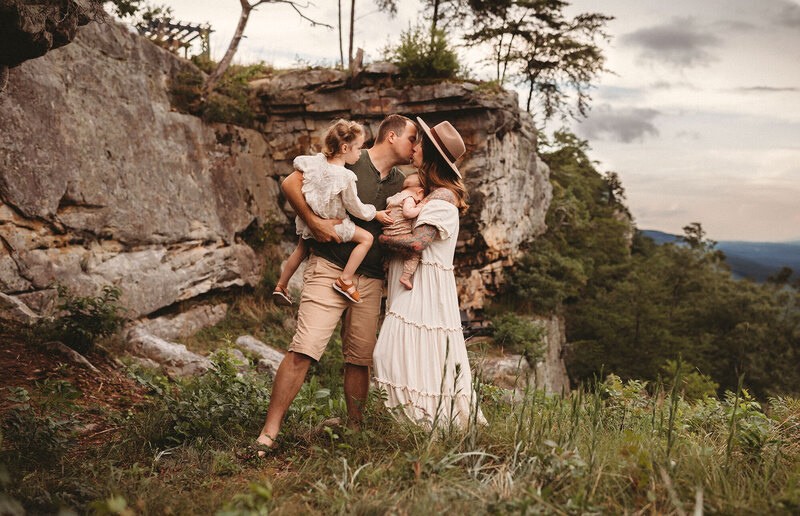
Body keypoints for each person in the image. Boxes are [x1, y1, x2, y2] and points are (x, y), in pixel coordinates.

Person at [250, 114, 418, 454]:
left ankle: (355, 429)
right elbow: (289, 184)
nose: (414, 147)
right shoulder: (350, 160)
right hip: (328, 267)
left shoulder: (402, 181)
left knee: (359, 359)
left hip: (370, 280)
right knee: (304, 350)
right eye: (412, 139)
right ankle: (269, 432)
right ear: (392, 136)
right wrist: (314, 222)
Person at [373, 117, 486, 429]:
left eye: (421, 143)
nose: (416, 147)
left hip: (424, 289)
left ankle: (418, 421)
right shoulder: (428, 193)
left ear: (432, 155)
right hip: (415, 285)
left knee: (388, 352)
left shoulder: (442, 198)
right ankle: (420, 427)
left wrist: (377, 238)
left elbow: (418, 242)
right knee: (419, 356)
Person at [272, 119, 391, 305]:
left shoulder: (315, 162)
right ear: (344, 148)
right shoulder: (345, 176)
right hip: (333, 224)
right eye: (358, 148)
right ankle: (345, 279)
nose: (360, 153)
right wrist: (374, 213)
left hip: (309, 220)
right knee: (366, 239)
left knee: (301, 249)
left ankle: (281, 285)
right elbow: (355, 207)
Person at [382, 172, 425, 289]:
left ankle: (384, 265)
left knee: (389, 253)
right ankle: (405, 277)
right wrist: (419, 208)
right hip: (400, 233)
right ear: (419, 192)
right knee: (414, 255)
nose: (420, 201)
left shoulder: (393, 198)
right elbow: (407, 213)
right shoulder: (409, 198)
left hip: (388, 232)